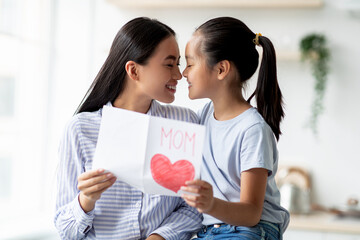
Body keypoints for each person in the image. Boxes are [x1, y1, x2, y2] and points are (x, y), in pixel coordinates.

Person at [54, 17, 203, 240]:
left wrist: (159, 237)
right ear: (133, 71)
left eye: (179, 64)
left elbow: (194, 207)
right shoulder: (81, 129)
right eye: (169, 64)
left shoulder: (185, 123)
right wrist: (86, 201)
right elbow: (66, 231)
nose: (178, 74)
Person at [180, 17, 290, 240]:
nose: (184, 73)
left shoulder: (252, 129)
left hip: (251, 229)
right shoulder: (203, 116)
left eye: (190, 64)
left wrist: (210, 204)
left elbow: (251, 213)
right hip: (212, 230)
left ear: (221, 69)